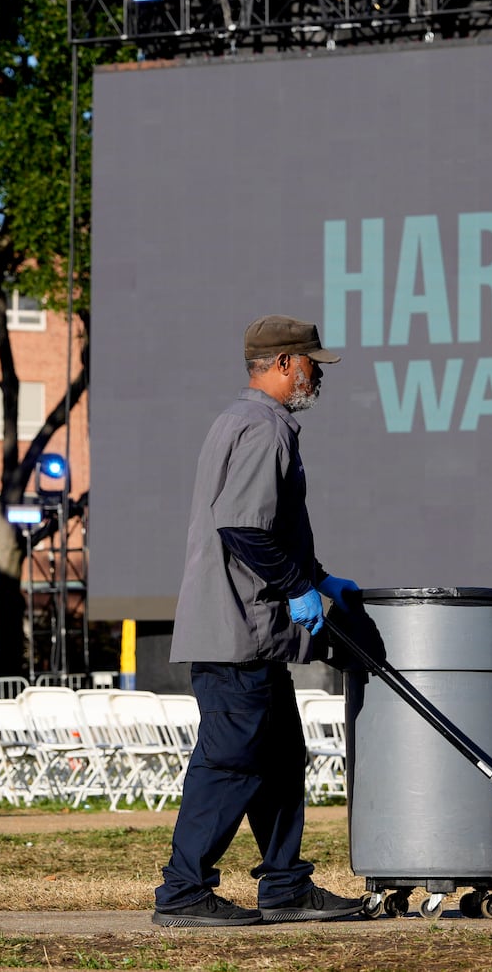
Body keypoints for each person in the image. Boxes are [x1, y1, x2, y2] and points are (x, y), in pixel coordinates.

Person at [153, 315, 362, 926]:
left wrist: (318, 577)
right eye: (310, 361)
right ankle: (183, 893)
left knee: (278, 758)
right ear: (282, 364)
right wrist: (299, 588)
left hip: (255, 633)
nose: (317, 373)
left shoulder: (243, 422)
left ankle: (285, 886)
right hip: (236, 631)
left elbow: (269, 526)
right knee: (230, 761)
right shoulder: (264, 428)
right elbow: (242, 527)